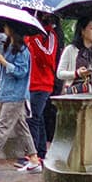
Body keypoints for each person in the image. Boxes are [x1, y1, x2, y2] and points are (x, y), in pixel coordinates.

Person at [0, 28, 37, 170]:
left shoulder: (22, 51)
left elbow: (21, 72)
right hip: (10, 92)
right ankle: (33, 158)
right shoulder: (9, 47)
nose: (4, 29)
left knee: (2, 126)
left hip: (15, 94)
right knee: (21, 127)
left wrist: (4, 62)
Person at [24, 12, 59, 163]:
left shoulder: (50, 36)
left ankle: (34, 153)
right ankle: (41, 152)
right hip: (32, 82)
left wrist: (34, 38)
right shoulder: (30, 37)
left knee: (34, 117)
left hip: (44, 83)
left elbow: (48, 56)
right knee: (39, 118)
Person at [58, 16, 92, 93]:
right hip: (75, 93)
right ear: (82, 31)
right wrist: (77, 73)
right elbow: (60, 73)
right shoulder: (70, 49)